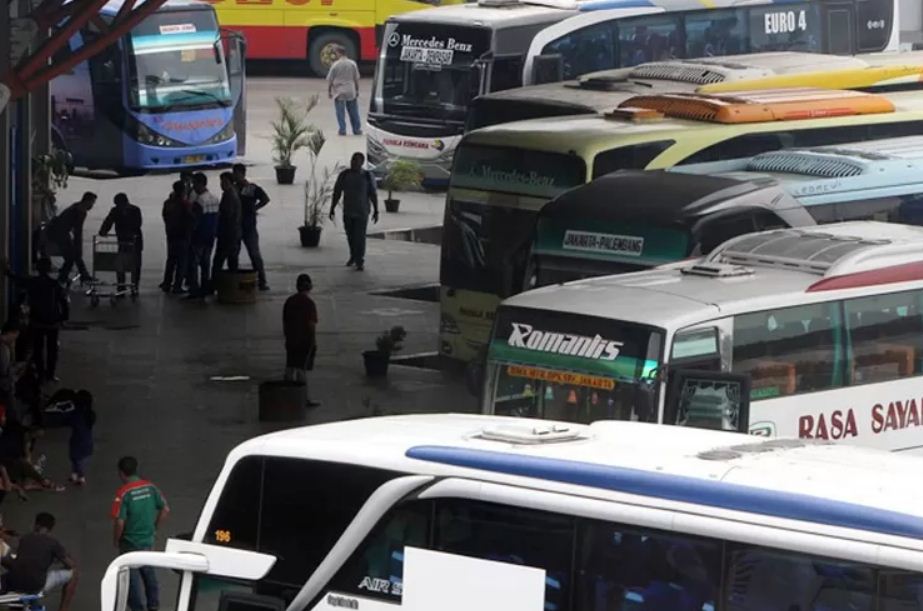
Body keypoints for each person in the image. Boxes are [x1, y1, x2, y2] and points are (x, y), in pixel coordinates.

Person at [112, 456, 169, 611]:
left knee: (131, 579)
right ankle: (153, 604)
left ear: (121, 473)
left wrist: (116, 539)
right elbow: (165, 509)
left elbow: (120, 522)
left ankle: (137, 608)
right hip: (147, 539)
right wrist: (154, 528)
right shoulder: (151, 487)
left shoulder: (123, 493)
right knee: (148, 571)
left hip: (129, 542)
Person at [8, 258, 69, 384]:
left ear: (38, 268)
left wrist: (7, 272)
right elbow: (64, 302)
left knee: (37, 349)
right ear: (49, 269)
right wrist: (64, 318)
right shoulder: (54, 284)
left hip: (37, 322)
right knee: (52, 350)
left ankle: (40, 374)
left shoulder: (32, 282)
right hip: (52, 322)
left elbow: (18, 280)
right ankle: (50, 374)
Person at [1, 513, 78, 611]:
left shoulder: (24, 538)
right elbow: (71, 564)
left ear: (36, 525)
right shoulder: (53, 543)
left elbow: (15, 560)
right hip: (35, 586)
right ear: (51, 528)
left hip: (15, 582)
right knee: (74, 573)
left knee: (19, 574)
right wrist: (59, 557)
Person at [330, 152, 379, 271]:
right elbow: (337, 192)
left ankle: (359, 260)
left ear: (362, 162)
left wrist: (376, 210)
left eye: (357, 161)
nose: (354, 163)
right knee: (350, 236)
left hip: (362, 212)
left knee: (360, 237)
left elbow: (373, 194)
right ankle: (353, 255)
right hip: (348, 211)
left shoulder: (367, 176)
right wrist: (332, 208)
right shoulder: (344, 175)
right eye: (353, 160)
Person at [283, 274, 320, 407]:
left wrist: (287, 337)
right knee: (301, 370)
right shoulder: (309, 304)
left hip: (291, 340)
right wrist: (313, 342)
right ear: (310, 287)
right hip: (304, 341)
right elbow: (311, 325)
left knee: (290, 367)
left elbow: (285, 322)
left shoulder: (289, 301)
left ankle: (286, 395)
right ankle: (303, 399)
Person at [232, 164, 270, 291]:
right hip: (236, 226)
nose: (235, 176)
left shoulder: (251, 188)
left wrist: (255, 208)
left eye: (237, 173)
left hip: (249, 226)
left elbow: (265, 199)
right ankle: (233, 279)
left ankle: (262, 280)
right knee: (233, 254)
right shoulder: (233, 189)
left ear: (242, 174)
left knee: (254, 254)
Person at [46, 192, 95, 285]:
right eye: (92, 202)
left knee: (74, 256)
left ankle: (82, 275)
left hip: (59, 232)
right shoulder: (81, 211)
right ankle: (62, 278)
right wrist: (78, 245)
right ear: (87, 201)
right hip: (61, 234)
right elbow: (78, 231)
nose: (92, 205)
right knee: (71, 258)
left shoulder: (75, 206)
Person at [99, 193, 143, 294]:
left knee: (136, 264)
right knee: (121, 263)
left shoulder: (135, 210)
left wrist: (129, 232)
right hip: (122, 241)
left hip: (135, 241)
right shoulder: (115, 210)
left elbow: (138, 223)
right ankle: (121, 285)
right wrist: (103, 230)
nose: (119, 207)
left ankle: (135, 285)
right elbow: (108, 221)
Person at [186, 173, 219, 298]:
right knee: (206, 263)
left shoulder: (199, 201)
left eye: (194, 184)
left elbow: (195, 219)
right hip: (210, 236)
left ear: (200, 184)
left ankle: (194, 289)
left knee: (193, 263)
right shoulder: (215, 198)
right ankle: (205, 287)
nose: (193, 187)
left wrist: (189, 211)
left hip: (199, 236)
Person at [209, 172, 242, 293]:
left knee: (220, 260)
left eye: (225, 182)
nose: (222, 184)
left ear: (230, 183)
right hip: (232, 233)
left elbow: (227, 214)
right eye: (221, 182)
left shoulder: (230, 196)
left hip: (228, 234)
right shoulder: (230, 193)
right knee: (231, 260)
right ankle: (231, 285)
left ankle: (216, 285)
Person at [161, 181, 195, 294]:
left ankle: (167, 283)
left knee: (171, 260)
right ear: (183, 191)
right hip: (182, 235)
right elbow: (190, 218)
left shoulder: (167, 203)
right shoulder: (185, 204)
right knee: (182, 261)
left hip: (171, 234)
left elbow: (165, 216)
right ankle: (177, 285)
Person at [326, 44, 362, 136]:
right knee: (354, 112)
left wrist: (329, 91)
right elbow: (356, 79)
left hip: (339, 92)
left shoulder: (335, 65)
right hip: (351, 91)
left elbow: (330, 80)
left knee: (340, 113)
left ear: (339, 53)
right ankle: (356, 130)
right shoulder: (352, 64)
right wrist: (357, 90)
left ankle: (342, 130)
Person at [67, 391, 94, 486]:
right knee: (78, 460)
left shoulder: (76, 415)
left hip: (77, 440)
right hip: (86, 440)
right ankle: (76, 475)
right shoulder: (90, 414)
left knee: (76, 459)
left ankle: (80, 476)